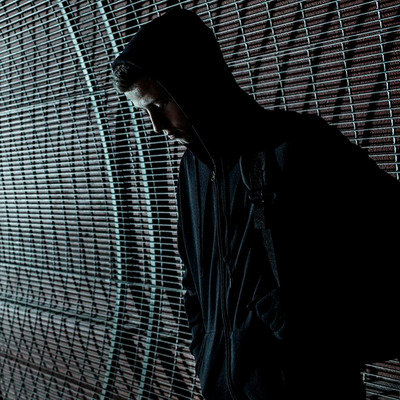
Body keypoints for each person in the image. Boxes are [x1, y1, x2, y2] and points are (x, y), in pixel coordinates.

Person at [112, 8, 400, 400]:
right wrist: (206, 355)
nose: (156, 126)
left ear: (194, 82)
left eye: (160, 103)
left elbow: (389, 232)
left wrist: (318, 332)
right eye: (144, 111)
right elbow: (195, 283)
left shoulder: (297, 145)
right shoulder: (191, 171)